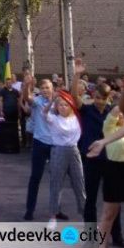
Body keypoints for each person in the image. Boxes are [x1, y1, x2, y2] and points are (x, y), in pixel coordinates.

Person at [70, 61, 124, 247]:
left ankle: (117, 237)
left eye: (104, 98)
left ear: (109, 97)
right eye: (97, 97)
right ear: (93, 96)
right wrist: (77, 75)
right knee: (91, 199)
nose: (100, 101)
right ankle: (90, 237)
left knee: (113, 200)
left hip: (111, 162)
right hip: (92, 161)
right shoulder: (86, 111)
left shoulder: (112, 114)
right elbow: (74, 97)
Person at [22, 76, 68, 221]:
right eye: (42, 88)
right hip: (40, 143)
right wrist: (28, 85)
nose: (45, 90)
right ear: (39, 90)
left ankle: (57, 209)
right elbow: (27, 97)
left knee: (57, 179)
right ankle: (30, 210)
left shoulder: (58, 102)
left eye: (47, 87)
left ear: (52, 89)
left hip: (56, 144)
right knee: (36, 177)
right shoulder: (37, 102)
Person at [43, 94, 85, 231]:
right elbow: (44, 113)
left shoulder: (77, 118)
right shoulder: (54, 119)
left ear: (71, 106)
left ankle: (87, 216)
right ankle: (53, 216)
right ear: (56, 107)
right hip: (58, 151)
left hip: (74, 151)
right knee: (56, 184)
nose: (63, 107)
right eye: (60, 104)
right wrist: (51, 101)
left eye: (66, 104)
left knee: (79, 183)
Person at [95, 90, 124, 248]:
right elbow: (117, 110)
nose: (122, 113)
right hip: (114, 171)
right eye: (120, 111)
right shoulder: (110, 127)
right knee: (109, 213)